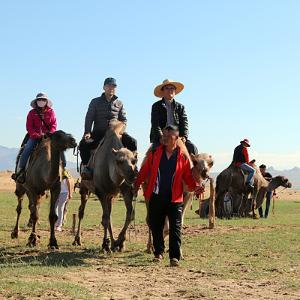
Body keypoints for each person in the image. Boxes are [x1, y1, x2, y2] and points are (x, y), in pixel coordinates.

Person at [135, 125, 199, 267]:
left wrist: (196, 187)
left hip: (175, 198)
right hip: (156, 196)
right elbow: (145, 170)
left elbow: (188, 176)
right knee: (155, 225)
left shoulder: (183, 157)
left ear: (176, 138)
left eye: (168, 136)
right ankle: (158, 252)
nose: (163, 138)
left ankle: (174, 257)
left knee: (175, 228)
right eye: (163, 135)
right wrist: (136, 183)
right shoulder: (155, 153)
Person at [79, 77, 137, 178]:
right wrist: (87, 132)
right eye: (109, 86)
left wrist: (121, 132)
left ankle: (133, 167)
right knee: (83, 144)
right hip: (99, 132)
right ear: (104, 87)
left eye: (114, 86)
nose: (111, 88)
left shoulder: (119, 103)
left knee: (133, 142)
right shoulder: (95, 102)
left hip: (116, 133)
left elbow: (124, 120)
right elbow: (89, 118)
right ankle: (86, 168)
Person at [13, 93, 64, 183]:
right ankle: (21, 171)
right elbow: (29, 127)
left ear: (46, 102)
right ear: (36, 102)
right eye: (39, 100)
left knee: (60, 148)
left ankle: (63, 170)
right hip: (34, 136)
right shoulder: (31, 113)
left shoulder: (51, 112)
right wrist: (36, 135)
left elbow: (54, 125)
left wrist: (50, 133)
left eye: (43, 100)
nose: (41, 101)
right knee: (27, 149)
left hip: (48, 137)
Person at [150, 79, 198, 155]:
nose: (170, 90)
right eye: (167, 88)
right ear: (163, 91)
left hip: (177, 136)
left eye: (172, 88)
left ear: (175, 91)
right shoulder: (156, 106)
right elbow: (155, 124)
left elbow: (184, 124)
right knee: (154, 151)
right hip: (162, 136)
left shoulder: (180, 107)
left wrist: (184, 137)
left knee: (192, 147)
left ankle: (192, 167)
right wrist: (161, 137)